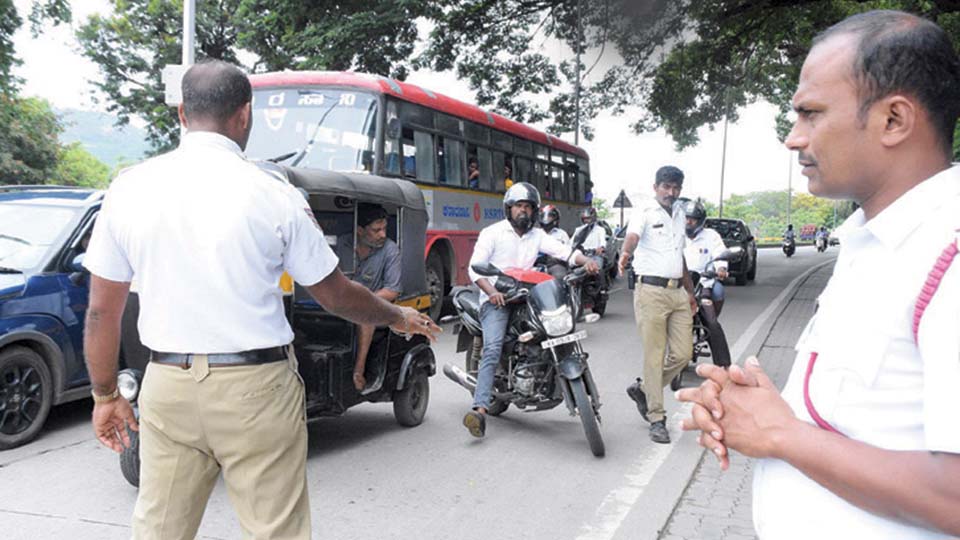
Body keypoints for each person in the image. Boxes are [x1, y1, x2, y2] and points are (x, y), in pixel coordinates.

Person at [81, 60, 440, 540]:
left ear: (182, 114)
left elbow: (102, 310)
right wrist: (397, 314)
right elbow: (336, 296)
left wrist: (105, 396)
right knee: (275, 531)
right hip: (256, 388)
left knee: (159, 529)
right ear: (245, 115)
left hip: (166, 384)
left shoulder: (128, 188)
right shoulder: (275, 195)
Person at [679, 10, 960, 538]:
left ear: (894, 120)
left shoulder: (949, 259)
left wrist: (783, 434)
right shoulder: (870, 241)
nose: (792, 138)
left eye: (810, 114)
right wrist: (762, 409)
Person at [463, 182, 600, 438]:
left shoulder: (537, 235)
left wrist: (587, 261)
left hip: (526, 297)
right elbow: (475, 268)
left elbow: (564, 252)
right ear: (509, 209)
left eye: (528, 207)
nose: (523, 211)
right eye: (519, 206)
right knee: (492, 347)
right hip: (498, 299)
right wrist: (492, 293)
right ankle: (479, 409)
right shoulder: (492, 233)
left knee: (555, 330)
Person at [617, 165, 698, 444]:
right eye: (666, 187)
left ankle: (643, 389)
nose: (671, 192)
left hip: (677, 294)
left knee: (683, 354)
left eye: (676, 188)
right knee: (655, 355)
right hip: (650, 291)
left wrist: (689, 291)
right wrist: (625, 253)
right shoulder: (643, 211)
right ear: (656, 187)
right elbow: (633, 237)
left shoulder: (679, 213)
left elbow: (679, 256)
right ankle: (656, 418)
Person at [335, 203, 402, 392]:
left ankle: (359, 369)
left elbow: (392, 290)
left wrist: (362, 299)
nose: (382, 234)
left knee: (366, 314)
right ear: (359, 231)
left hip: (372, 305)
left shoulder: (390, 250)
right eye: (376, 230)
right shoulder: (343, 244)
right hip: (340, 300)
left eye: (384, 229)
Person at [682, 198, 731, 367]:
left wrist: (721, 268)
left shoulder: (711, 236)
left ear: (700, 221)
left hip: (703, 283)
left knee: (711, 322)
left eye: (692, 219)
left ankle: (723, 365)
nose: (688, 222)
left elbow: (720, 254)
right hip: (677, 284)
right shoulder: (675, 234)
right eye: (686, 217)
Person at [572, 206, 608, 288]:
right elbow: (571, 243)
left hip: (595, 256)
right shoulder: (578, 230)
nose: (586, 221)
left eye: (588, 218)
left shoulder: (600, 230)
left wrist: (600, 248)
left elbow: (603, 243)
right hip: (581, 255)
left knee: (598, 268)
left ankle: (602, 290)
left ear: (593, 218)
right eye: (584, 219)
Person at [537, 204, 570, 279]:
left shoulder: (562, 234)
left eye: (549, 216)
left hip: (555, 264)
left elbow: (568, 251)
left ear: (555, 219)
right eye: (544, 216)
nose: (546, 219)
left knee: (559, 276)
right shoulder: (536, 233)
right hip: (537, 264)